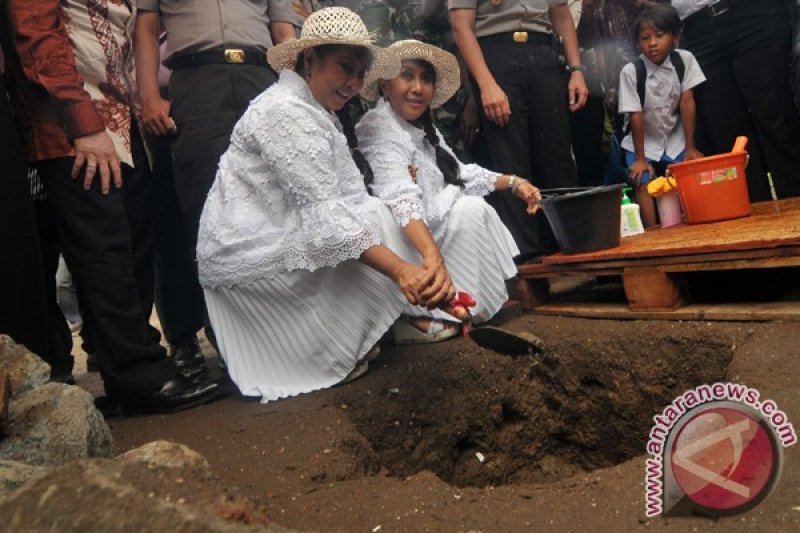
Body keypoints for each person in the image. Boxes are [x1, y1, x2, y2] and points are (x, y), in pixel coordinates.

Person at [197, 7, 475, 402]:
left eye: (360, 73)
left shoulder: (319, 112)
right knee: (370, 222)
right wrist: (403, 272)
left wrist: (425, 264)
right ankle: (314, 347)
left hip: (288, 237)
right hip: (247, 263)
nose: (353, 83)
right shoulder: (283, 110)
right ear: (310, 58)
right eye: (346, 67)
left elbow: (354, 202)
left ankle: (397, 316)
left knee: (377, 213)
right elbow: (328, 221)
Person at [1, 0, 222, 413]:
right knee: (106, 249)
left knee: (134, 245)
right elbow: (37, 38)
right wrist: (82, 124)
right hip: (73, 125)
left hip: (124, 118)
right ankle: (139, 376)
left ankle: (129, 375)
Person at [135, 0, 296, 361]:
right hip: (196, 81)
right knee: (201, 210)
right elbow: (146, 28)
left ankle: (279, 327)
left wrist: (293, 92)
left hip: (261, 76)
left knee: (273, 205)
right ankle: (214, 338)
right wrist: (148, 96)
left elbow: (284, 31)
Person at [356, 40, 540, 339]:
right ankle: (409, 315)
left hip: (428, 226)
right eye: (407, 76)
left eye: (426, 78)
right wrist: (434, 258)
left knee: (470, 207)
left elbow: (458, 173)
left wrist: (514, 183)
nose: (418, 87)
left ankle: (472, 302)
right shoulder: (378, 125)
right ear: (385, 86)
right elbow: (401, 198)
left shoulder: (423, 129)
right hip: (400, 239)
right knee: (467, 208)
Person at [449, 0, 589, 262]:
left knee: (557, 154)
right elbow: (461, 26)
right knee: (510, 158)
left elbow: (560, 13)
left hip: (544, 51)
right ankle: (529, 256)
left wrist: (577, 70)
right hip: (495, 55)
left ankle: (572, 246)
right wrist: (486, 83)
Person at [672, 0, 800, 200]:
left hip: (753, 15)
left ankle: (795, 210)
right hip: (695, 27)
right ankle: (753, 222)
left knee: (777, 118)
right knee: (727, 135)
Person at [619, 2, 705, 226]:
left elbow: (687, 102)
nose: (652, 43)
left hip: (674, 135)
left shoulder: (684, 60)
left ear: (675, 36)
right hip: (642, 141)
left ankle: (692, 223)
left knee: (685, 176)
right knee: (642, 180)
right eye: (645, 38)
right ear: (637, 43)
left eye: (659, 35)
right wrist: (639, 158)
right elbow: (636, 115)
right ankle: (652, 232)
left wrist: (690, 146)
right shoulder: (631, 72)